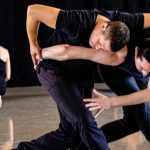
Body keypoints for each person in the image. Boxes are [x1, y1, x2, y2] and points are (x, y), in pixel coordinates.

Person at [13, 4, 150, 150]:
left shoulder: (113, 50)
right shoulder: (79, 21)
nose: (98, 48)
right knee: (84, 122)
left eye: (103, 48)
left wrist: (110, 102)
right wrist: (35, 48)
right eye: (100, 43)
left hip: (80, 75)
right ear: (103, 27)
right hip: (55, 69)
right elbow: (34, 11)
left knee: (71, 134)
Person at [83, 37, 150, 142]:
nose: (145, 73)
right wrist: (109, 102)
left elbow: (147, 94)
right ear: (136, 51)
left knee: (133, 123)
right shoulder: (117, 56)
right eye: (143, 68)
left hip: (139, 63)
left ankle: (87, 144)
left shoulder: (145, 69)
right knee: (141, 107)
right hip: (114, 69)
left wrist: (109, 101)